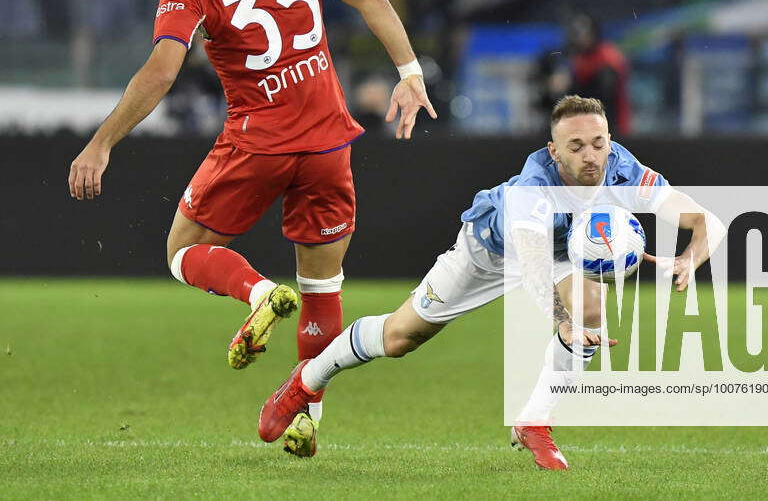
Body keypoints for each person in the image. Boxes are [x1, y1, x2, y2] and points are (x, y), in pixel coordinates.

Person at [67, 0, 436, 437]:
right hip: (327, 142)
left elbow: (162, 72)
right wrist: (410, 72)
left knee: (181, 251)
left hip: (258, 141)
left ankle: (260, 293)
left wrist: (101, 142)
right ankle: (307, 420)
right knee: (322, 288)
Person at [258, 95, 721, 467]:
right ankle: (307, 379)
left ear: (609, 139)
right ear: (553, 150)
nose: (591, 155)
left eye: (598, 142)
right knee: (399, 337)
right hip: (489, 251)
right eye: (576, 147)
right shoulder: (532, 188)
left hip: (562, 250)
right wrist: (558, 319)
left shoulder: (622, 166)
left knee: (591, 310)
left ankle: (534, 422)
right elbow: (533, 263)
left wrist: (689, 258)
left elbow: (707, 221)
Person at [537, 14, 631, 135]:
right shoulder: (574, 57)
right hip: (581, 126)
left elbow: (603, 97)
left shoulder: (608, 57)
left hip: (609, 126)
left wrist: (570, 85)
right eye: (577, 35)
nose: (581, 39)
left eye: (584, 35)